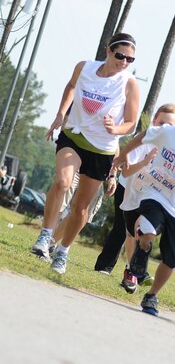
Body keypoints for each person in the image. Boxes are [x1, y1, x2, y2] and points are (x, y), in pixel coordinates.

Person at [31, 32, 140, 274]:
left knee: (80, 208)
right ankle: (44, 237)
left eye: (130, 59)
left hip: (102, 149)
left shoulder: (129, 83)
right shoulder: (85, 67)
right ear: (108, 50)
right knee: (62, 181)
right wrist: (61, 113)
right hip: (74, 136)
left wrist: (116, 128)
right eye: (120, 55)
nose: (124, 62)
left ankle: (62, 252)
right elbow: (71, 86)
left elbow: (131, 123)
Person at [113, 98, 175, 314]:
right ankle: (143, 250)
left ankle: (151, 296)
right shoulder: (168, 132)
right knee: (148, 228)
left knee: (171, 259)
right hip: (154, 191)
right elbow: (143, 136)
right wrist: (123, 155)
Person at [94, 103, 175, 276]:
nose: (163, 128)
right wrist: (144, 162)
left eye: (169, 126)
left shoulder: (173, 149)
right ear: (154, 119)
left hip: (148, 195)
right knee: (122, 229)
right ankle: (104, 266)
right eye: (161, 122)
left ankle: (135, 270)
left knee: (142, 233)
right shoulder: (143, 140)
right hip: (127, 188)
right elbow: (127, 171)